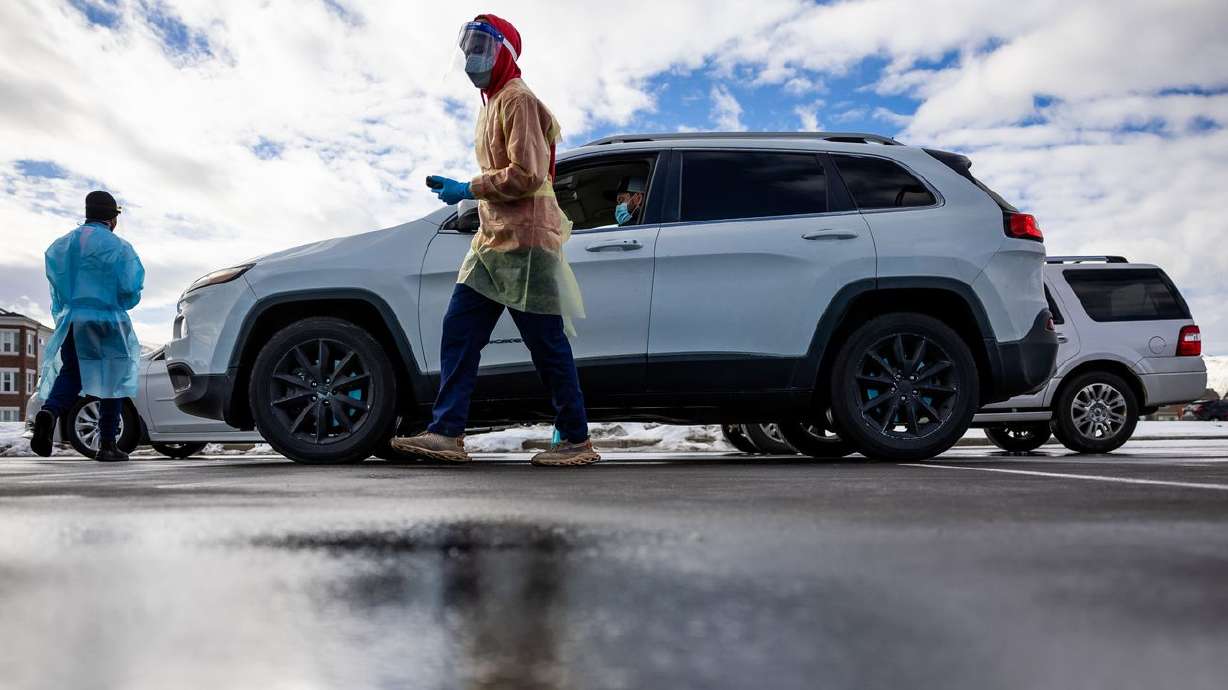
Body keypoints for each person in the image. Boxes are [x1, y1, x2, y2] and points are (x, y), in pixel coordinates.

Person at [391, 14, 599, 467]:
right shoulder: (490, 105)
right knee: (459, 332)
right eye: (467, 48)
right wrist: (472, 200)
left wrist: (467, 188)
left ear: (504, 52)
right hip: (492, 242)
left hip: (525, 242)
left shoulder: (518, 100)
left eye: (481, 48)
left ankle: (576, 440)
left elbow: (527, 174)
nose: (472, 58)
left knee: (546, 343)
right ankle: (447, 433)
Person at [29, 191, 145, 462]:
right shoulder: (120, 247)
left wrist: (69, 311)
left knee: (72, 372)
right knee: (113, 380)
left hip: (75, 319)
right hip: (109, 320)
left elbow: (57, 289)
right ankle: (107, 444)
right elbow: (130, 290)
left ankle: (49, 412)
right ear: (112, 219)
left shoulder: (62, 246)